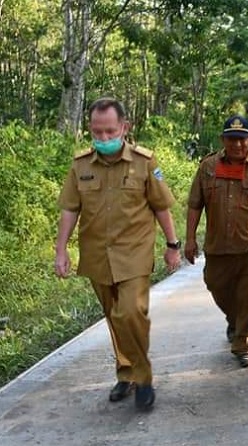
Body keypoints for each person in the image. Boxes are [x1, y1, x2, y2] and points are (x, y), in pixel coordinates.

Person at [54, 97, 181, 411]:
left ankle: (143, 378)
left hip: (134, 254)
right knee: (114, 317)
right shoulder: (80, 165)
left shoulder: (144, 162)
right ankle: (125, 373)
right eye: (97, 133)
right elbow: (70, 210)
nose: (104, 139)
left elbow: (161, 206)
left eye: (111, 132)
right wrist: (61, 251)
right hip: (96, 254)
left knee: (130, 312)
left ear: (125, 127)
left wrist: (172, 244)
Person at [184, 115, 248, 368]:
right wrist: (190, 239)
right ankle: (236, 319)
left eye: (242, 140)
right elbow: (195, 204)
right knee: (216, 285)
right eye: (232, 139)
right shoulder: (207, 167)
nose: (237, 145)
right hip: (218, 246)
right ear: (223, 140)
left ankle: (245, 345)